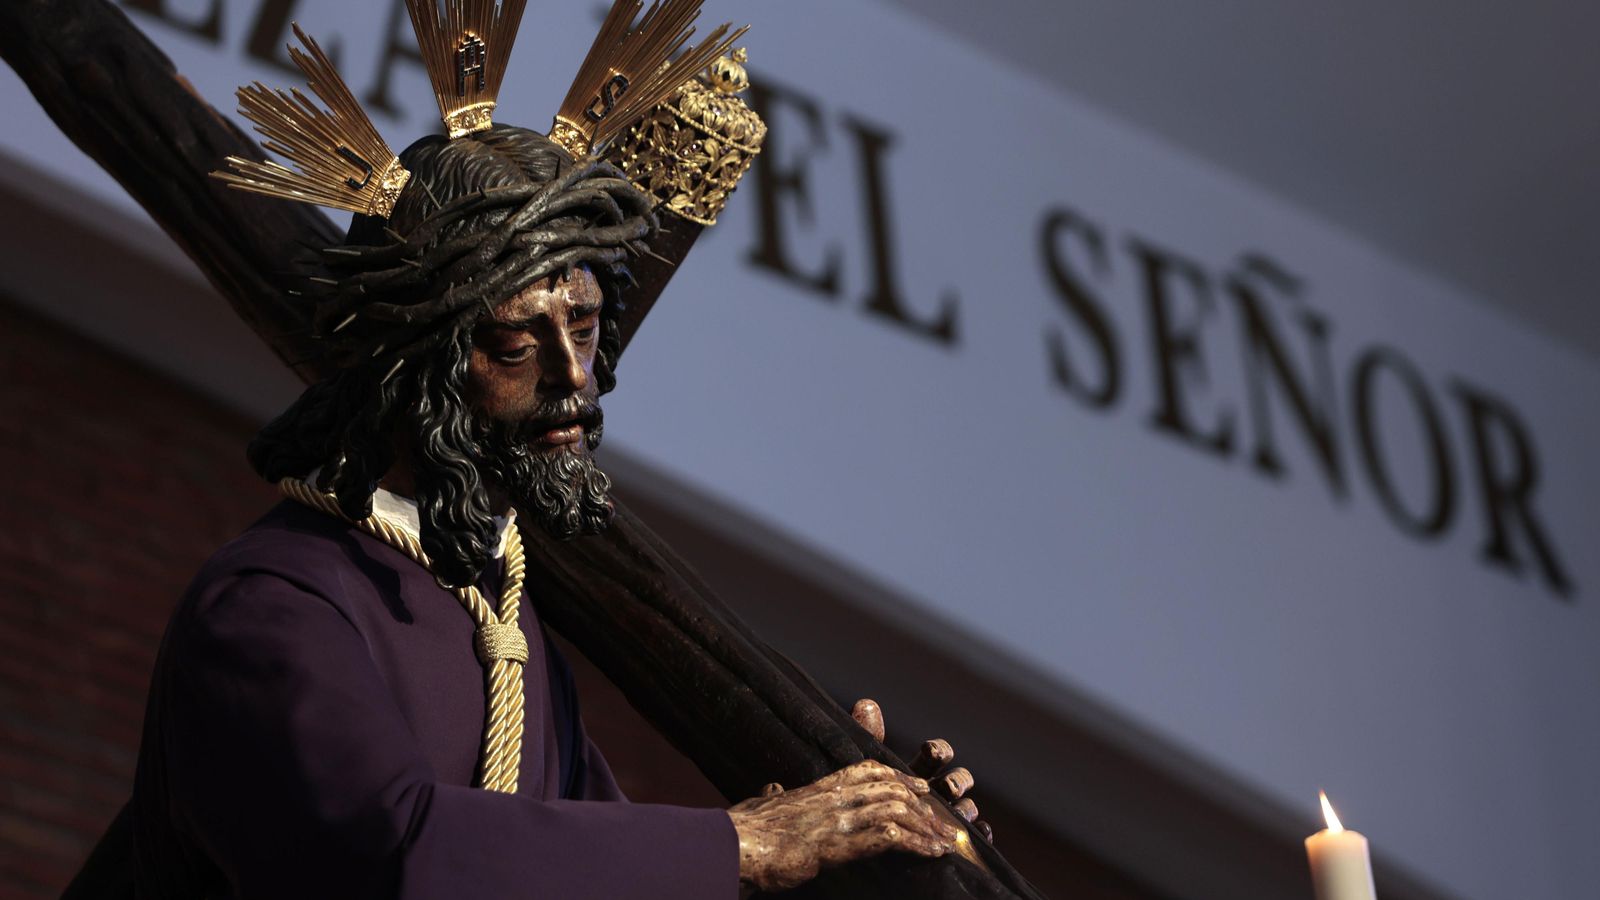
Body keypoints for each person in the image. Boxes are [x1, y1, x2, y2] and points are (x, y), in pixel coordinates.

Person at [129, 3, 981, 896]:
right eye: (513, 345)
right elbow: (385, 857)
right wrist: (740, 845)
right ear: (413, 362)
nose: (575, 377)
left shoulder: (508, 624)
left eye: (582, 325)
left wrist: (858, 834)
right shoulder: (272, 606)